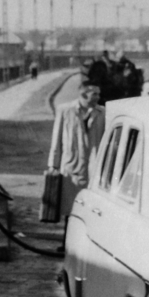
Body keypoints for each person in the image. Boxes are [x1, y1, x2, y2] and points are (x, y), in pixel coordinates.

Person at [46, 81, 103, 218]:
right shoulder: (65, 110)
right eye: (94, 94)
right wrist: (53, 165)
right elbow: (57, 139)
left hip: (93, 168)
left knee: (90, 210)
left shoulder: (102, 113)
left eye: (98, 94)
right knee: (70, 209)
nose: (98, 97)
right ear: (83, 94)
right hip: (71, 168)